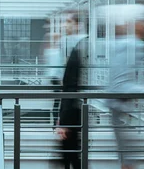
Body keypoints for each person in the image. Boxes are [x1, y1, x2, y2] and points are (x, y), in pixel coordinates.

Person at [99, 4, 144, 169]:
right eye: (143, 21)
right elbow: (121, 84)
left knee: (126, 155)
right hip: (120, 105)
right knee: (127, 156)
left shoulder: (129, 44)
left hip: (121, 106)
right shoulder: (131, 45)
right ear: (132, 23)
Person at [54, 9, 89, 169]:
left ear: (78, 25)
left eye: (68, 22)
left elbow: (71, 87)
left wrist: (64, 121)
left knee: (70, 156)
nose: (64, 25)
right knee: (72, 156)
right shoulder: (78, 47)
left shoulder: (78, 49)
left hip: (73, 112)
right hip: (74, 110)